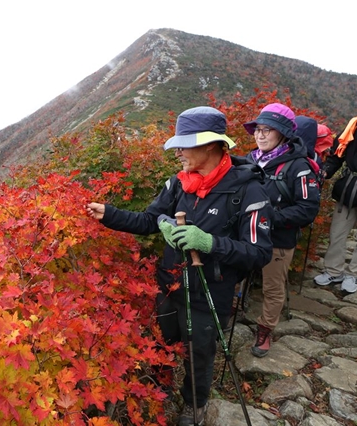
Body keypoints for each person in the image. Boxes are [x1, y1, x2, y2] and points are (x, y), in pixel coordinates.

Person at [86, 106, 273, 425]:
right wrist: (110, 214)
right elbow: (148, 219)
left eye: (185, 145)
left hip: (211, 291)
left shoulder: (248, 190)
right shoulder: (178, 184)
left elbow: (259, 252)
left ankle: (194, 405)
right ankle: (158, 389)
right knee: (162, 341)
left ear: (211, 145)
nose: (178, 152)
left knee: (200, 353)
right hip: (170, 285)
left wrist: (209, 242)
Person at [243, 104, 321, 357]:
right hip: (244, 235)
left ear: (283, 134)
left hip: (278, 238)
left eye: (268, 130)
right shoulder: (248, 160)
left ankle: (265, 330)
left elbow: (308, 208)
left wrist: (269, 218)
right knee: (235, 275)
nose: (261, 135)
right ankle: (231, 309)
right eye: (258, 129)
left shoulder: (299, 167)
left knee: (273, 287)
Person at [314, 115, 357, 294]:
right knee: (337, 233)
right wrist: (324, 172)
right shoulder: (353, 125)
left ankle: (354, 274)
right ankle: (333, 271)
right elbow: (336, 154)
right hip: (347, 189)